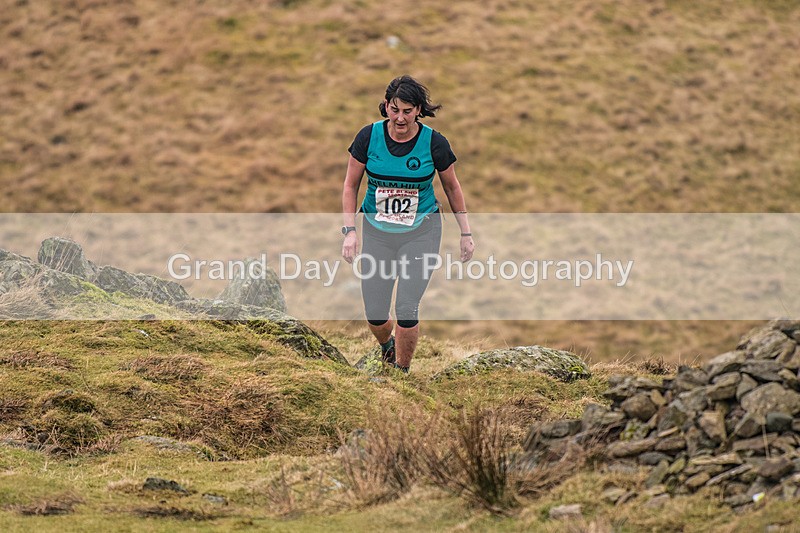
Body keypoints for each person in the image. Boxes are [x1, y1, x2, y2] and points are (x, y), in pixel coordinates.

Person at [341, 75, 474, 373]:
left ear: (418, 111)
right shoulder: (368, 137)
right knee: (375, 313)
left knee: (406, 306)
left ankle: (401, 372)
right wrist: (350, 232)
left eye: (408, 110)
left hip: (422, 232)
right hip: (378, 232)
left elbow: (452, 188)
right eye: (395, 109)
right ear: (386, 107)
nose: (400, 118)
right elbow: (350, 186)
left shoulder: (434, 143)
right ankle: (387, 347)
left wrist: (465, 233)